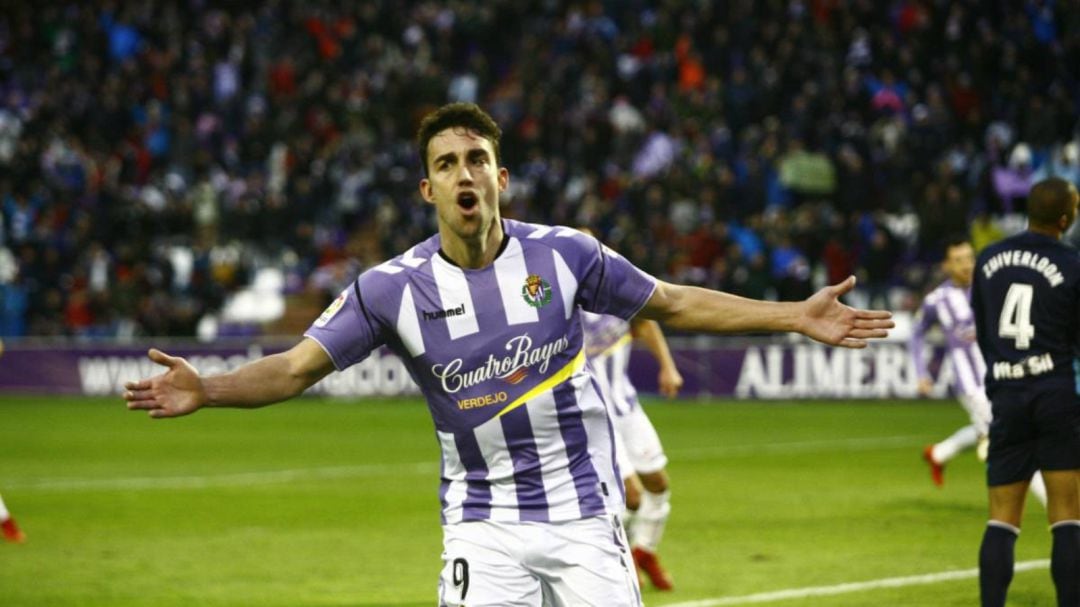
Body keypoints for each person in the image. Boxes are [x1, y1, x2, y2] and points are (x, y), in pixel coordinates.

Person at [124, 102, 893, 607]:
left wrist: (794, 313)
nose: (465, 172)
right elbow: (294, 366)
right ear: (426, 188)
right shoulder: (391, 289)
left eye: (477, 158)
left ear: (502, 176)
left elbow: (673, 301)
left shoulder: (565, 254)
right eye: (448, 162)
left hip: (586, 519)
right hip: (479, 528)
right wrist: (211, 387)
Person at [971, 177, 1080, 607]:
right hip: (1055, 392)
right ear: (1065, 219)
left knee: (1001, 518)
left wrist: (1006, 368)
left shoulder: (988, 258)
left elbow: (982, 328)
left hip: (1007, 393)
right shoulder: (1072, 264)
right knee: (1067, 514)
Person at [912, 236, 1046, 506]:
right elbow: (916, 334)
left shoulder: (992, 287)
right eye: (959, 260)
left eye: (970, 258)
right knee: (1017, 441)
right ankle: (1060, 511)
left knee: (992, 430)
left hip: (1004, 374)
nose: (966, 265)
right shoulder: (938, 300)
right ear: (946, 265)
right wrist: (921, 372)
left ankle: (939, 453)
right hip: (971, 384)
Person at [582, 310, 681, 591]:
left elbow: (646, 322)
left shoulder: (615, 287)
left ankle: (644, 552)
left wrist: (667, 366)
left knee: (658, 484)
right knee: (631, 496)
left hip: (627, 406)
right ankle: (620, 561)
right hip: (594, 412)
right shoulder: (567, 292)